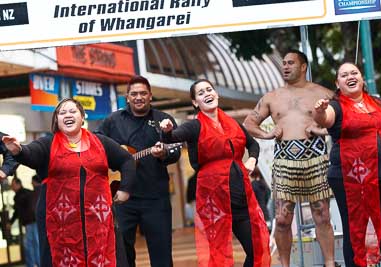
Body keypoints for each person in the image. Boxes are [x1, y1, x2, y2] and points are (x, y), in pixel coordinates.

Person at [2, 98, 135, 267]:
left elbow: (127, 160)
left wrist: (125, 189)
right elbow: (31, 153)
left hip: (99, 221)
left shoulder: (100, 142)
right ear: (56, 120)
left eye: (73, 111)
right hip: (59, 224)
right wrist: (18, 150)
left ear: (82, 117)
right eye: (62, 112)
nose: (67, 115)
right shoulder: (48, 143)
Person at [159, 79, 270, 267]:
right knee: (219, 256)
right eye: (201, 93)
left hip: (241, 197)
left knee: (258, 247)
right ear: (195, 103)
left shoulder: (233, 124)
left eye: (209, 90)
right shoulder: (194, 126)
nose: (207, 94)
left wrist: (252, 159)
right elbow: (173, 138)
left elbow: (253, 144)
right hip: (215, 201)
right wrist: (167, 132)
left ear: (216, 94)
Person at [243, 49, 336, 267]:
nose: (285, 66)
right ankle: (285, 265)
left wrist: (322, 130)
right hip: (284, 159)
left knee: (322, 215)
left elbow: (342, 120)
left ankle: (330, 263)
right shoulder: (272, 96)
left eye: (291, 63)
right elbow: (249, 123)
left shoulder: (323, 93)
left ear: (303, 67)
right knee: (283, 219)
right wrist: (267, 134)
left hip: (316, 158)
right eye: (284, 63)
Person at [314, 62, 381, 267]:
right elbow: (325, 120)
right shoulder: (335, 106)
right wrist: (319, 111)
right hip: (349, 178)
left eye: (354, 73)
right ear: (338, 83)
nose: (350, 76)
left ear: (362, 79)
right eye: (344, 75)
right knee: (355, 229)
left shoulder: (380, 104)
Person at [96, 75, 181, 267]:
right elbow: (96, 142)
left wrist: (164, 154)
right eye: (134, 94)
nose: (139, 97)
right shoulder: (113, 120)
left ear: (150, 96)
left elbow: (175, 151)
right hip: (122, 197)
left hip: (156, 198)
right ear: (127, 97)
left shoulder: (164, 120)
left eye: (143, 93)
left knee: (162, 254)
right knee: (123, 255)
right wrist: (114, 159)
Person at [8, 177, 40, 267]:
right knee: (35, 244)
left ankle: (33, 264)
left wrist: (10, 222)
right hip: (32, 222)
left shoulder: (20, 196)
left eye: (13, 185)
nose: (11, 187)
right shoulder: (28, 192)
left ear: (18, 184)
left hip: (31, 223)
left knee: (30, 245)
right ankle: (37, 263)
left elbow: (17, 212)